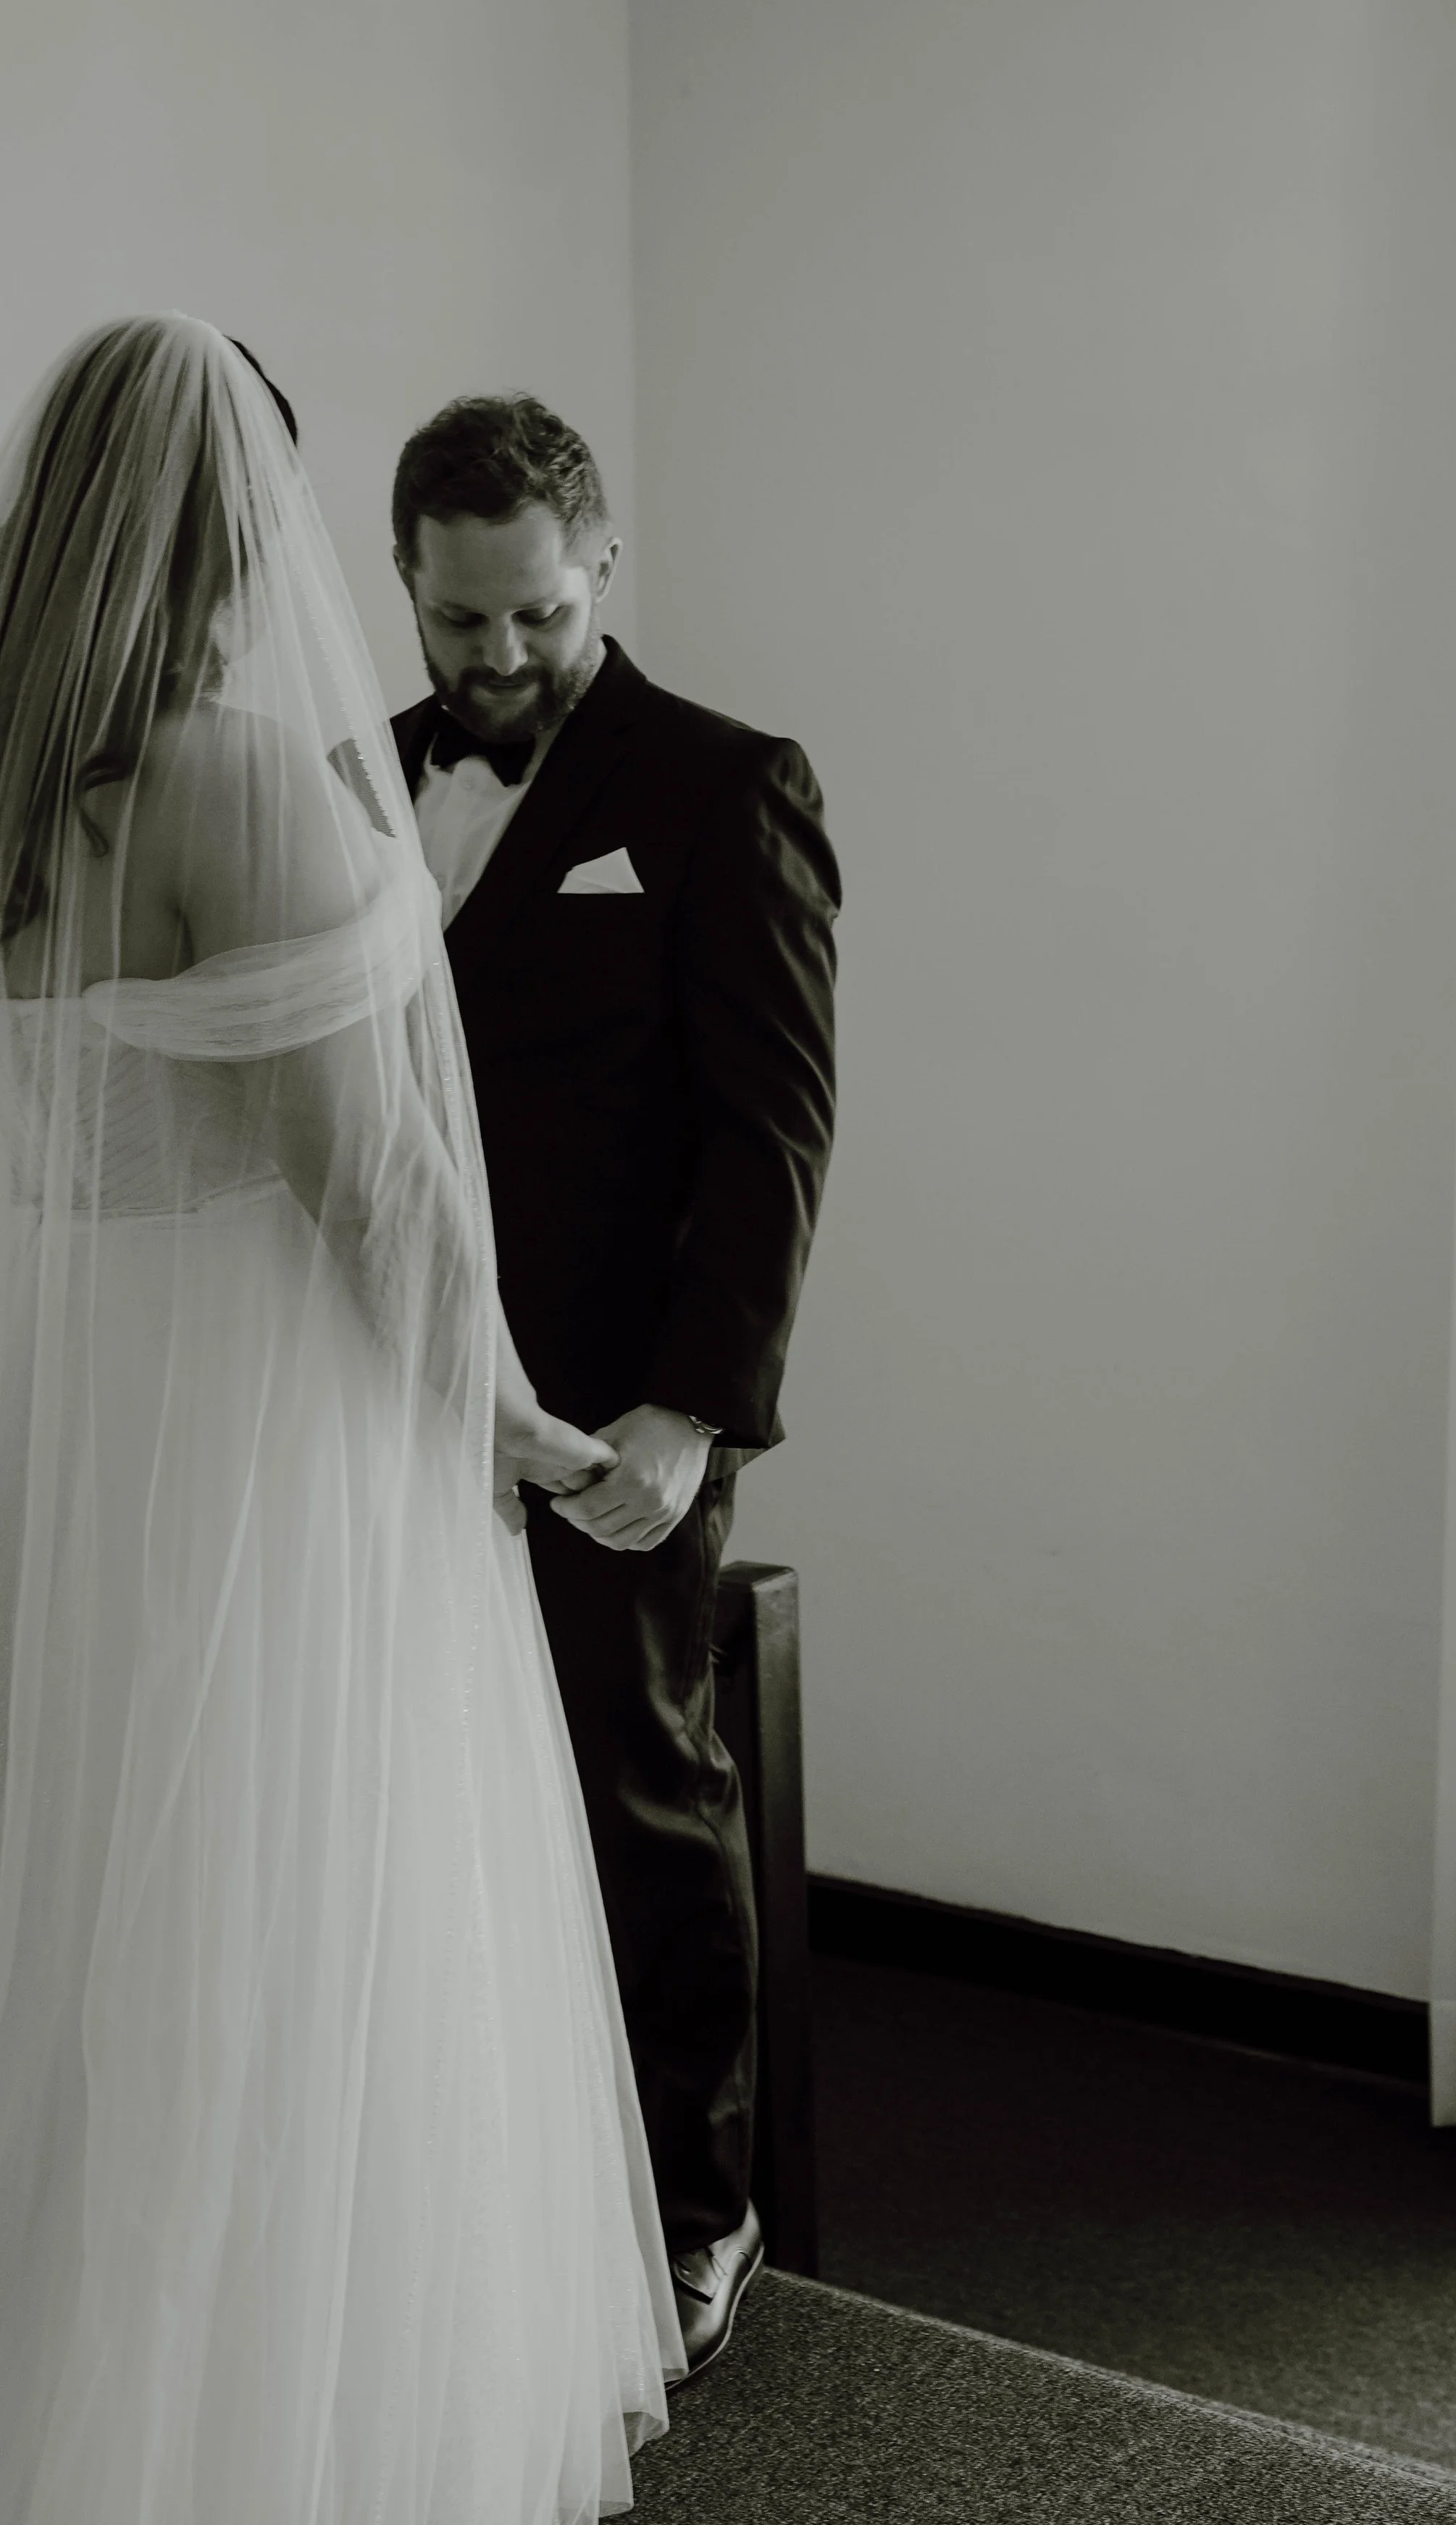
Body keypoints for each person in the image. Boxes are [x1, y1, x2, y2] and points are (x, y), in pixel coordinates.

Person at [0, 316, 685, 2524]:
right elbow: (370, 1171)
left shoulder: (26, 773)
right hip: (263, 1423)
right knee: (270, 1916)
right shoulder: (213, 774)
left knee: (97, 1900)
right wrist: (494, 1417)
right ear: (241, 522)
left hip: (82, 1409)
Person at [390, 393, 839, 2374]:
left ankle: (693, 2207)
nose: (495, 661)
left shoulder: (723, 782)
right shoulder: (344, 777)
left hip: (612, 1422)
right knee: (417, 1800)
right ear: (404, 582)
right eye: (458, 621)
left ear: (602, 574)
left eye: (537, 618)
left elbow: (772, 1132)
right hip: (383, 1391)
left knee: (641, 1794)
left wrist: (692, 1411)